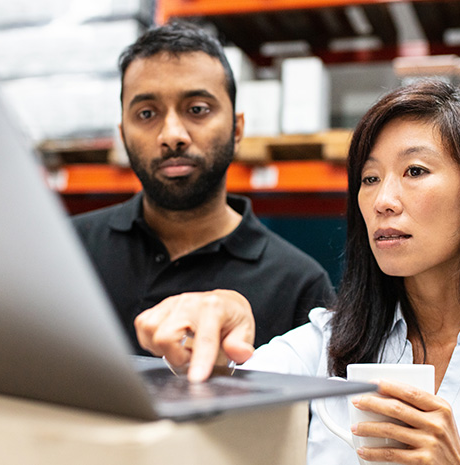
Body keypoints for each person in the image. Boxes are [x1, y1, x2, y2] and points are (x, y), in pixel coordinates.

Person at [135, 81, 460, 464]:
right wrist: (219, 318)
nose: (383, 201)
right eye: (370, 178)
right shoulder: (328, 344)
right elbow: (220, 386)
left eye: (415, 171)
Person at [72, 22, 335, 355]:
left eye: (197, 109)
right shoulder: (68, 250)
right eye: (147, 113)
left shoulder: (300, 285)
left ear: (236, 129)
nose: (172, 134)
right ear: (123, 134)